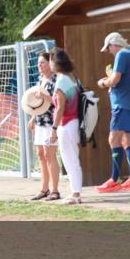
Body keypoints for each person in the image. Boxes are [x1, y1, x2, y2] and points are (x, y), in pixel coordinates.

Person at [96, 32, 130, 193]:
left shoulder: (122, 54)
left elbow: (115, 80)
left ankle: (115, 180)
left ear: (113, 44)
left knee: (113, 139)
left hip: (121, 105)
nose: (109, 52)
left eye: (108, 48)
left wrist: (103, 82)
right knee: (127, 140)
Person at [49, 48, 84, 205]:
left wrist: (54, 128)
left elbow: (60, 107)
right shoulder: (73, 78)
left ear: (54, 62)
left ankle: (75, 194)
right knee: (73, 159)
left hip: (66, 124)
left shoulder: (61, 81)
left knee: (69, 160)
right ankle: (75, 192)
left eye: (50, 60)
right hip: (74, 123)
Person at [27, 52, 61, 201]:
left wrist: (45, 97)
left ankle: (55, 190)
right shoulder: (41, 80)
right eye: (38, 63)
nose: (39, 65)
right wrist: (33, 117)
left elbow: (58, 102)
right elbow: (39, 104)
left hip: (51, 123)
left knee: (50, 155)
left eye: (42, 62)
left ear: (50, 63)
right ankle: (44, 189)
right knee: (41, 155)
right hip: (40, 122)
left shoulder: (56, 80)